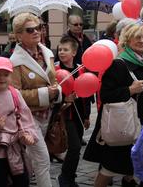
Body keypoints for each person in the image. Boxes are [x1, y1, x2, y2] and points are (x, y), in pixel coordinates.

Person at [84, 24, 143, 187]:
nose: (141, 41)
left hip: (142, 123)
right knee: (110, 170)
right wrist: (129, 90)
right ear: (127, 39)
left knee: (136, 168)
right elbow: (106, 95)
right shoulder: (119, 63)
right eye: (137, 37)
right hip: (124, 125)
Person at [10, 12, 62, 187]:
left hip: (47, 114)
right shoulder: (15, 61)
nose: (36, 32)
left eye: (38, 27)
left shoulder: (46, 53)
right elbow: (15, 94)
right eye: (30, 29)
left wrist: (57, 90)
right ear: (18, 35)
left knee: (31, 159)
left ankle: (18, 181)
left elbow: (53, 80)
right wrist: (45, 93)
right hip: (28, 118)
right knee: (42, 159)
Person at [0, 57, 37, 187]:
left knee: (22, 182)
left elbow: (25, 117)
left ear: (11, 76)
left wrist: (28, 134)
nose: (2, 78)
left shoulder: (15, 93)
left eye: (5, 75)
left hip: (15, 149)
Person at [55, 36, 91, 187]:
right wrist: (64, 99)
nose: (62, 52)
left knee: (76, 150)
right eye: (60, 49)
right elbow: (52, 92)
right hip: (64, 115)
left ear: (74, 52)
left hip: (78, 115)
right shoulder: (56, 69)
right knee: (75, 146)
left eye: (65, 49)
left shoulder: (81, 69)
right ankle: (65, 177)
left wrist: (87, 116)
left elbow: (88, 93)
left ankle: (69, 177)